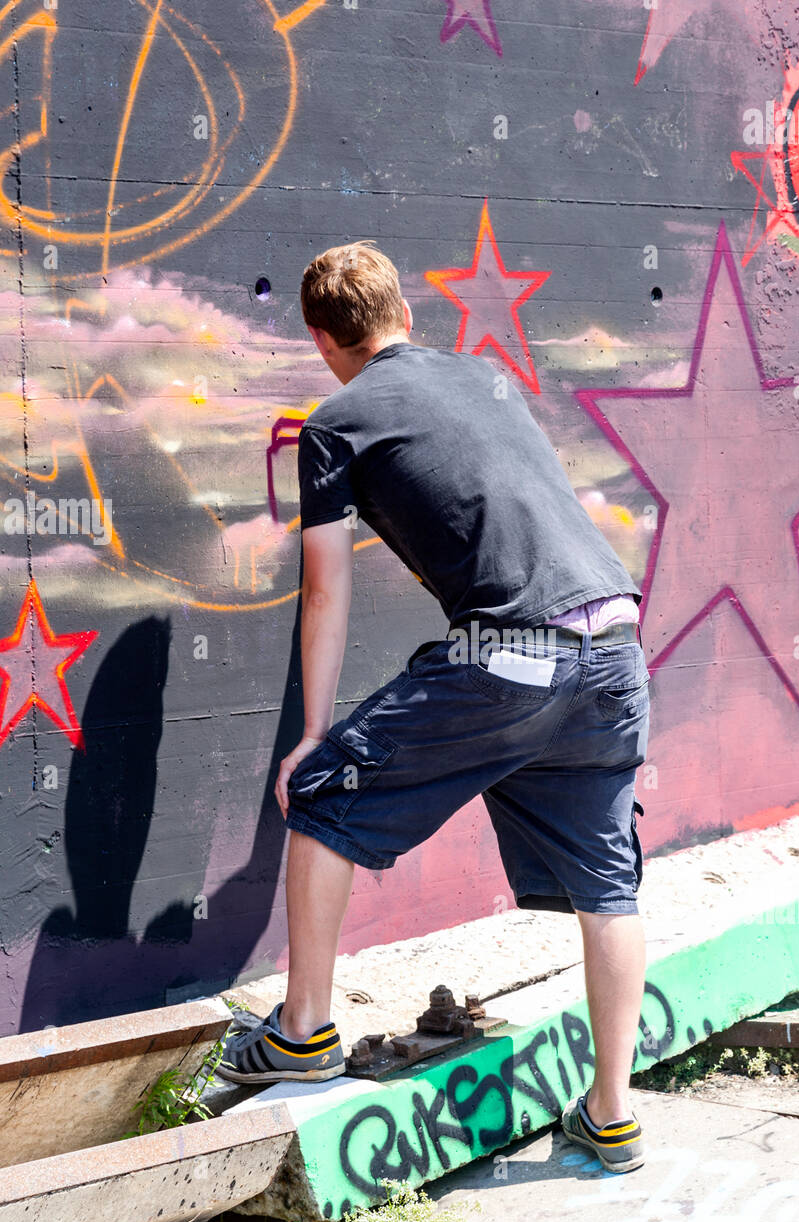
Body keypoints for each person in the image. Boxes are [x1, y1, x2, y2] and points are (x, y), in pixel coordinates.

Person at [217, 241, 650, 1173]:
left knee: (328, 794)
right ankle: (612, 1120)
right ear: (405, 314)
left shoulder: (334, 422)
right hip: (618, 649)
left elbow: (324, 591)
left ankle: (301, 1033)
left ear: (323, 340)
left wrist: (313, 735)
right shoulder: (486, 376)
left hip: (514, 656)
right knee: (610, 887)